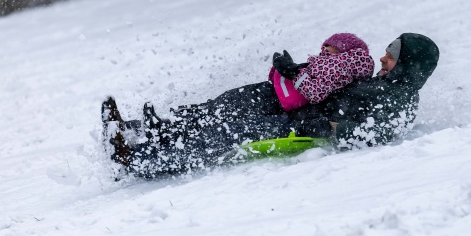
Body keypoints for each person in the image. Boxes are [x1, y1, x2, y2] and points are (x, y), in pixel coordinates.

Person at [102, 33, 439, 178]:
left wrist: (326, 128)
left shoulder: (401, 103)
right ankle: (144, 128)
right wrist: (301, 74)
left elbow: (370, 134)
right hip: (299, 103)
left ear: (409, 63)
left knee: (227, 131)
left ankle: (138, 158)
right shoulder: (379, 82)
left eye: (392, 55)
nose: (383, 56)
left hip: (301, 127)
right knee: (230, 102)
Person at [270, 32, 375, 111]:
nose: (324, 47)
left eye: (329, 45)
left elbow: (315, 92)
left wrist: (293, 72)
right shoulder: (329, 64)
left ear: (342, 49)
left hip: (287, 101)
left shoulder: (338, 67)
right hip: (282, 95)